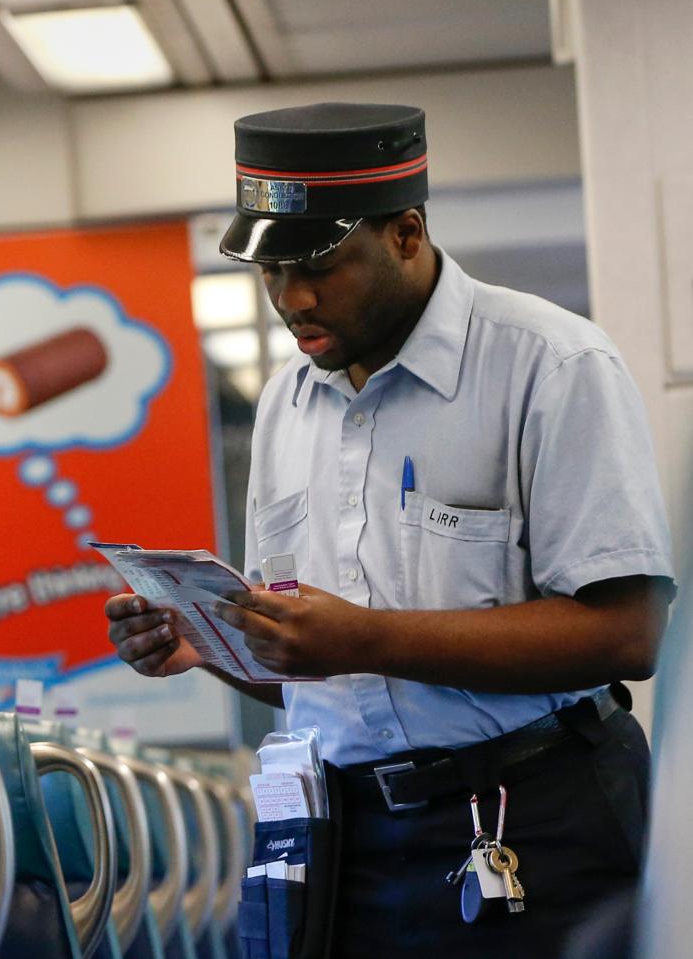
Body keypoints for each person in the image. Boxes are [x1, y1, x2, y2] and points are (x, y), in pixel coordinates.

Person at [104, 103, 675, 958]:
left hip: (537, 823)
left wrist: (366, 637)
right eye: (271, 271)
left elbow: (627, 632)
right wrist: (215, 644)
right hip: (351, 844)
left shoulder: (550, 366)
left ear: (406, 233)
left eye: (322, 265)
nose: (292, 299)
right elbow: (322, 673)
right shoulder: (284, 408)